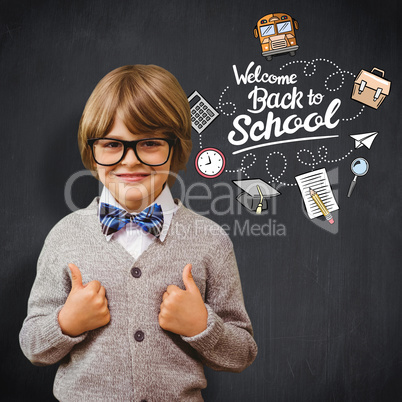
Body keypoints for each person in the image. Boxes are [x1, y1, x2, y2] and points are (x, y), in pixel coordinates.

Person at [19, 64, 258, 401]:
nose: (130, 161)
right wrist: (66, 323)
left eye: (149, 143)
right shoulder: (64, 237)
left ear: (175, 148)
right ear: (92, 151)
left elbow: (243, 352)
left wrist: (202, 326)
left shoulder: (211, 240)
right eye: (112, 145)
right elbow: (32, 345)